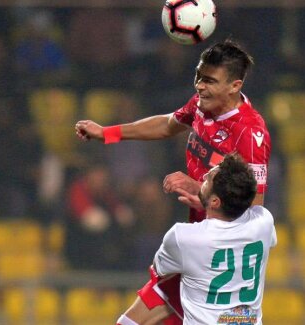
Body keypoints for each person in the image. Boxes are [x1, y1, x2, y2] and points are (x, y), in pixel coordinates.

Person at [75, 40, 271, 324]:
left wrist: (202, 193)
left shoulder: (251, 134)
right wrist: (108, 133)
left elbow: (252, 213)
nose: (200, 87)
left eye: (210, 81)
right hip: (197, 241)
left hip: (212, 260)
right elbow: (168, 124)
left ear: (235, 86)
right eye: (199, 77)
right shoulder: (203, 106)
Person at [118, 154, 277, 324]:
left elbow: (161, 270)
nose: (203, 179)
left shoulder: (183, 237)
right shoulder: (263, 221)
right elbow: (258, 226)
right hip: (243, 319)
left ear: (215, 201)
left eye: (207, 180)